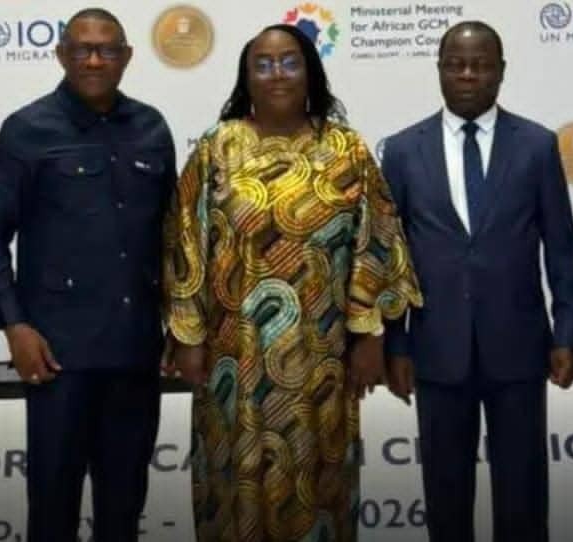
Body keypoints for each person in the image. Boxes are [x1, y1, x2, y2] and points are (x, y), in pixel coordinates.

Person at [163, 24, 422, 542]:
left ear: (310, 73)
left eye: (289, 62)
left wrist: (369, 334)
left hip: (320, 358)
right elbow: (184, 239)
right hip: (232, 358)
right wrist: (187, 335)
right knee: (233, 485)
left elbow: (377, 239)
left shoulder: (346, 149)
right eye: (262, 64)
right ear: (246, 78)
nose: (276, 74)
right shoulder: (218, 148)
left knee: (315, 482)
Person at [0, 8, 176, 541]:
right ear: (62, 55)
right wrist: (14, 325)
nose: (94, 60)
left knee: (123, 510)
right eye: (82, 49)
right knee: (52, 512)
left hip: (134, 355)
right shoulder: (27, 130)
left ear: (126, 57)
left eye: (107, 50)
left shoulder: (153, 128)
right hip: (57, 358)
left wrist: (180, 325)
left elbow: (173, 235)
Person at [379, 21, 573, 542]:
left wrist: (567, 334)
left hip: (518, 348)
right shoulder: (402, 151)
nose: (468, 75)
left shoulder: (537, 145)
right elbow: (391, 260)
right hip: (436, 349)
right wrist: (395, 344)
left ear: (501, 71)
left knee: (523, 498)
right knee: (446, 499)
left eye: (481, 65)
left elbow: (562, 249)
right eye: (456, 65)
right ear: (440, 70)